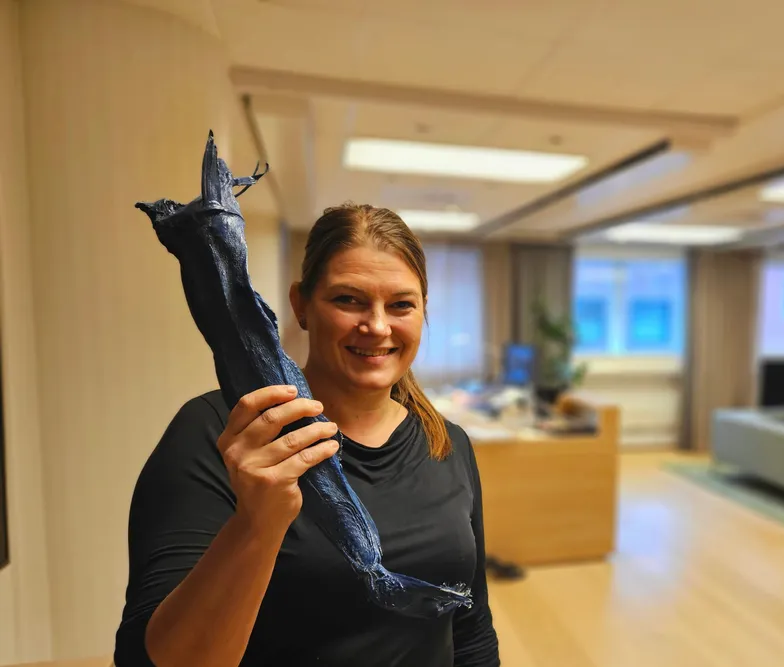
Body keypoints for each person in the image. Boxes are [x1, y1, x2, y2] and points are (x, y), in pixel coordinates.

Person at [113, 203, 501, 667]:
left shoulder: (446, 442)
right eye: (348, 300)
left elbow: (470, 628)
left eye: (401, 305)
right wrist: (257, 523)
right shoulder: (224, 433)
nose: (377, 326)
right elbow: (148, 660)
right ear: (301, 305)